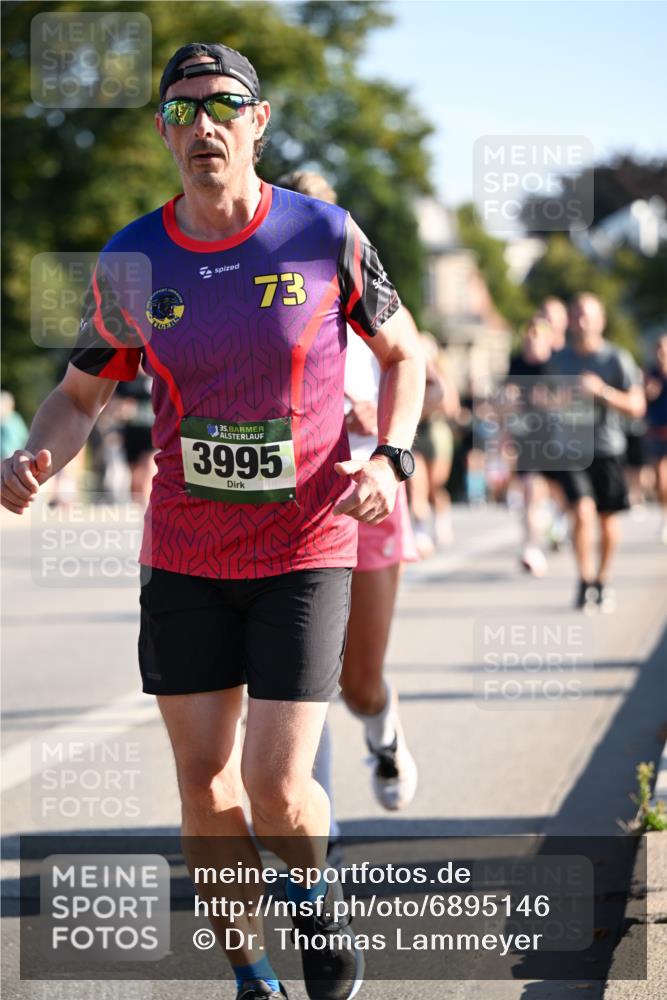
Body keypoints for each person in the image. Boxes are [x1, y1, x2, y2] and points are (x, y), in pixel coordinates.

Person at [0, 43, 425, 1000]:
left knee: (277, 790)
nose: (204, 125)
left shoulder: (325, 235)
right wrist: (34, 457)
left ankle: (311, 894)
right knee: (205, 786)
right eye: (182, 111)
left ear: (259, 122)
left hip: (305, 541)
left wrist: (391, 457)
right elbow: (76, 398)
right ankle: (252, 976)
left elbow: (405, 354)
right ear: (163, 132)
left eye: (224, 105)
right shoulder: (133, 258)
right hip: (187, 551)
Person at [276, 170, 419, 838]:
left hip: (367, 497)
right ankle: (315, 832)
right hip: (293, 505)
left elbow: (421, 379)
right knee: (300, 683)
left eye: (322, 215)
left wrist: (377, 424)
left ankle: (384, 731)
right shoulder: (262, 296)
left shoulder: (364, 278)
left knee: (358, 684)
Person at [549, 293, 646, 613]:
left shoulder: (616, 359)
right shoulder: (558, 359)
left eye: (587, 315)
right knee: (582, 512)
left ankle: (603, 578)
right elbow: (544, 401)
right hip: (571, 450)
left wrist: (601, 392)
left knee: (606, 521)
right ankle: (585, 579)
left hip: (608, 450)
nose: (580, 320)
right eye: (575, 314)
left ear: (600, 321)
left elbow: (637, 406)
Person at [504, 317, 556, 576]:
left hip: (554, 433)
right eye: (529, 337)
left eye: (537, 337)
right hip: (527, 433)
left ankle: (556, 523)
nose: (532, 342)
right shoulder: (517, 362)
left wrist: (548, 399)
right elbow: (509, 394)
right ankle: (531, 547)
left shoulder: (556, 363)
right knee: (529, 490)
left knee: (553, 492)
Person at [410, 333, 460, 555]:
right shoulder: (407, 372)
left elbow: (452, 409)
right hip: (415, 433)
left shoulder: (440, 377)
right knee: (416, 483)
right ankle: (420, 531)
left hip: (436, 432)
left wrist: (435, 379)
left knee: (434, 486)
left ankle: (440, 515)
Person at [645, 333, 667, 543]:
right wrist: (648, 392)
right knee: (660, 479)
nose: (661, 353)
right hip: (657, 432)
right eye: (658, 348)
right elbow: (641, 401)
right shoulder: (650, 375)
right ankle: (664, 516)